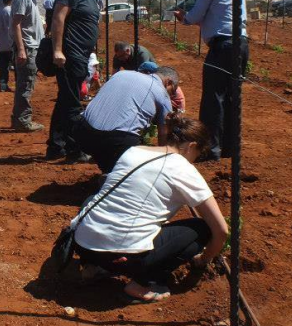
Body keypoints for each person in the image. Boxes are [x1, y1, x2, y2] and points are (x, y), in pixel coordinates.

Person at [71, 114, 228, 305]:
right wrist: (204, 258)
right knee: (201, 229)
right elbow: (221, 230)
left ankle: (94, 267)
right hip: (122, 256)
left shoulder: (134, 151)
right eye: (198, 154)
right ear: (191, 146)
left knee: (94, 199)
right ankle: (140, 285)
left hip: (83, 244)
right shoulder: (183, 169)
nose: (195, 160)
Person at [174, 0, 248, 161]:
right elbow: (219, 17)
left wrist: (184, 18)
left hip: (222, 46)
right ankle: (230, 148)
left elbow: (195, 15)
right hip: (241, 44)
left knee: (214, 99)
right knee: (233, 97)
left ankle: (210, 150)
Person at [46, 0, 102, 161]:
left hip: (81, 54)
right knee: (72, 104)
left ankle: (55, 147)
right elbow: (58, 19)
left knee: (65, 101)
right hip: (70, 54)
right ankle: (74, 149)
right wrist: (58, 50)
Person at [72, 66, 178, 173]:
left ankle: (104, 164)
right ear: (168, 82)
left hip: (82, 131)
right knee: (138, 167)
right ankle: (116, 174)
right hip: (115, 143)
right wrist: (164, 161)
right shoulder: (162, 93)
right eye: (172, 91)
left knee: (107, 147)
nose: (171, 95)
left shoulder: (122, 74)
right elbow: (163, 133)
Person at [10, 0, 50, 132]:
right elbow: (16, 24)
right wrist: (21, 49)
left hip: (31, 47)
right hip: (27, 47)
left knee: (26, 84)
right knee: (25, 85)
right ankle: (22, 121)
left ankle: (20, 118)